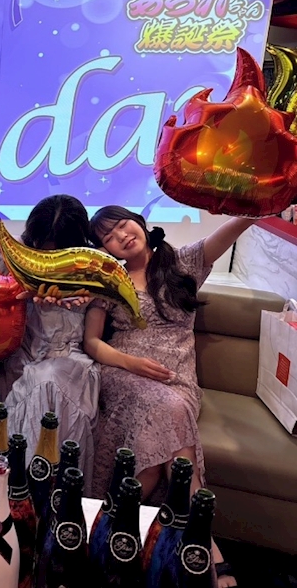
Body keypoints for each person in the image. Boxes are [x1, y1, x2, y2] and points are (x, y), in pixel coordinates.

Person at [84, 205, 254, 588]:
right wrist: (131, 363)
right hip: (124, 372)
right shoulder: (109, 280)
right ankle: (202, 539)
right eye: (108, 237)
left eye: (123, 225)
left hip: (178, 380)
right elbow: (92, 343)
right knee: (170, 409)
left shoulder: (182, 262)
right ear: (105, 249)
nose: (121, 236)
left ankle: (115, 527)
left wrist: (258, 209)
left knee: (167, 418)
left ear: (139, 222)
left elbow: (230, 232)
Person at [0, 194, 100, 488]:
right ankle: (9, 492)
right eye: (43, 244)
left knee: (47, 382)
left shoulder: (92, 266)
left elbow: (94, 330)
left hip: (68, 366)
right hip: (18, 360)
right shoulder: (13, 256)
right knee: (34, 382)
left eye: (58, 247)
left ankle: (40, 491)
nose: (48, 252)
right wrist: (21, 294)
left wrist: (82, 294)